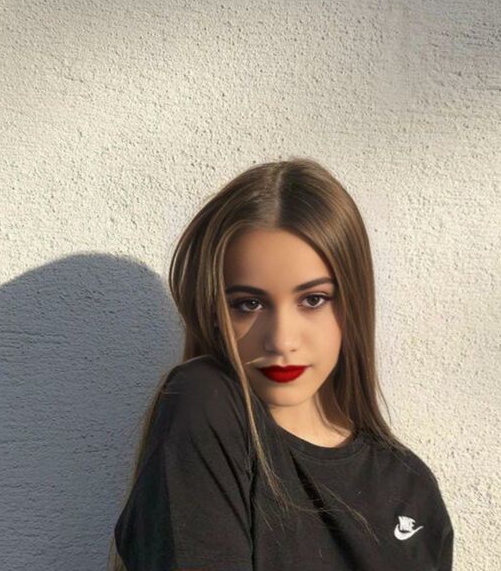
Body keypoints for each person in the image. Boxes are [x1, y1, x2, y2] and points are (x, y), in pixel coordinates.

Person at [110, 157, 454, 571]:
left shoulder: (411, 487)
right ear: (215, 313)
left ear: (354, 302)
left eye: (313, 299)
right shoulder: (203, 402)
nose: (281, 340)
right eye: (248, 304)